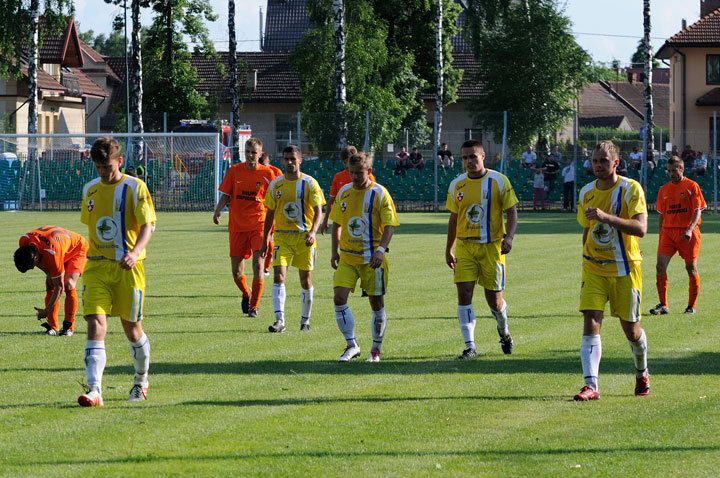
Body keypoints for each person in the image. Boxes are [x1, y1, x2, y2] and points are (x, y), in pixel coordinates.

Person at [77, 136, 157, 407]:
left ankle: (141, 381)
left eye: (107, 166)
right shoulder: (89, 190)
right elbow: (94, 228)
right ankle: (95, 389)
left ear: (119, 161)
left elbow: (148, 225)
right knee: (95, 322)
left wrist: (134, 252)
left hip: (128, 269)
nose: (102, 172)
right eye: (98, 167)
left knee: (132, 329)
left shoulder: (136, 187)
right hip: (97, 266)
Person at [574, 141, 649, 401]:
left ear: (616, 162)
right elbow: (587, 226)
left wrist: (607, 218)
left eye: (603, 161)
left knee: (631, 330)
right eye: (594, 161)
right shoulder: (586, 192)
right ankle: (590, 385)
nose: (598, 166)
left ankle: (642, 373)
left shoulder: (631, 188)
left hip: (625, 269)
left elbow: (641, 229)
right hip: (594, 268)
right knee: (591, 320)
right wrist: (584, 254)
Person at [445, 139, 518, 359]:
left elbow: (512, 211)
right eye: (465, 158)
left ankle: (504, 331)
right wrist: (449, 248)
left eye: (473, 157)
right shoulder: (457, 185)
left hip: (492, 248)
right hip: (466, 247)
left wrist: (510, 238)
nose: (469, 161)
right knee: (464, 293)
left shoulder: (498, 181)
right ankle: (470, 347)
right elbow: (453, 218)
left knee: (494, 302)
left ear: (482, 156)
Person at [330, 152, 399, 362]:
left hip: (372, 259)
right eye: (351, 173)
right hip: (348, 258)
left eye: (359, 173)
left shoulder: (380, 193)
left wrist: (380, 250)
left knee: (376, 304)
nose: (355, 177)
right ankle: (352, 345)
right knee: (339, 298)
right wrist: (334, 251)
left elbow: (389, 225)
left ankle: (375, 350)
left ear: (369, 171)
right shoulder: (344, 191)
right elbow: (337, 223)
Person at [261, 145, 325, 333]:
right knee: (278, 276)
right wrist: (265, 238)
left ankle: (305, 321)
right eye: (286, 159)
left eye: (293, 159)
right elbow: (270, 214)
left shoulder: (310, 183)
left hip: (304, 238)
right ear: (282, 160)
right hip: (282, 237)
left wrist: (313, 232)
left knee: (305, 280)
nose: (289, 162)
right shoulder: (276, 185)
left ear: (300, 160)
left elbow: (318, 210)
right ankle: (279, 321)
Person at [213, 138, 276, 318]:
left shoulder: (268, 174)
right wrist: (217, 211)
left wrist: (273, 226)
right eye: (247, 151)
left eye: (253, 152)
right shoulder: (234, 171)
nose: (250, 155)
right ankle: (247, 293)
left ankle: (253, 307)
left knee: (258, 265)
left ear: (260, 154)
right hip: (237, 226)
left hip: (259, 225)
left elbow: (274, 201)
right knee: (237, 271)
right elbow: (226, 194)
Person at [650, 156, 706, 316]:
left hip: (687, 232)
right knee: (660, 266)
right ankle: (663, 304)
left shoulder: (691, 186)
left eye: (674, 170)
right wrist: (661, 233)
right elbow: (661, 213)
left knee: (691, 268)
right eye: (669, 171)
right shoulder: (663, 189)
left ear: (682, 169)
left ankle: (691, 306)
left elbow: (697, 210)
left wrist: (689, 229)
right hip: (668, 232)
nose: (671, 174)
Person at [14, 226, 89, 336]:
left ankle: (68, 328)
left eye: (33, 266)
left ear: (35, 258)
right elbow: (43, 267)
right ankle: (53, 327)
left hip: (78, 249)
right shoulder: (24, 241)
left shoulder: (52, 253)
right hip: (60, 247)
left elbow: (60, 287)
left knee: (68, 284)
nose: (35, 267)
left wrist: (46, 310)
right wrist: (48, 273)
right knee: (49, 283)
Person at [319, 145, 376, 236]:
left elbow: (373, 197)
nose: (346, 165)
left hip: (364, 218)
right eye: (344, 162)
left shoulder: (368, 177)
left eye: (348, 161)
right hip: (344, 217)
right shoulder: (338, 177)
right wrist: (325, 220)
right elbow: (332, 200)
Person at [259, 152, 283, 276]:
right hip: (258, 210)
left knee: (269, 238)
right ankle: (259, 264)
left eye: (263, 164)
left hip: (271, 209)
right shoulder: (255, 171)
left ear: (268, 163)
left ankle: (266, 266)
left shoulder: (276, 172)